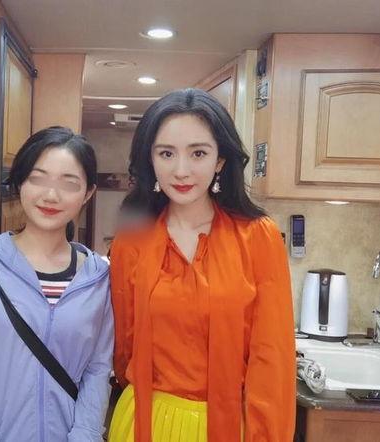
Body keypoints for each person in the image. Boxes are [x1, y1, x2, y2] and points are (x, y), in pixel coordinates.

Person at [108, 89, 296, 442]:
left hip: (228, 423)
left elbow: (273, 357)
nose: (181, 171)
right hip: (143, 419)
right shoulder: (131, 241)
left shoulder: (258, 236)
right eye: (166, 153)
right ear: (151, 160)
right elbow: (124, 346)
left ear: (220, 160)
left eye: (198, 153)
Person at [0, 126, 113, 442]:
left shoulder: (99, 276)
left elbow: (97, 370)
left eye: (69, 183)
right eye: (37, 178)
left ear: (88, 193)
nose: (51, 195)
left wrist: (84, 437)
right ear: (20, 182)